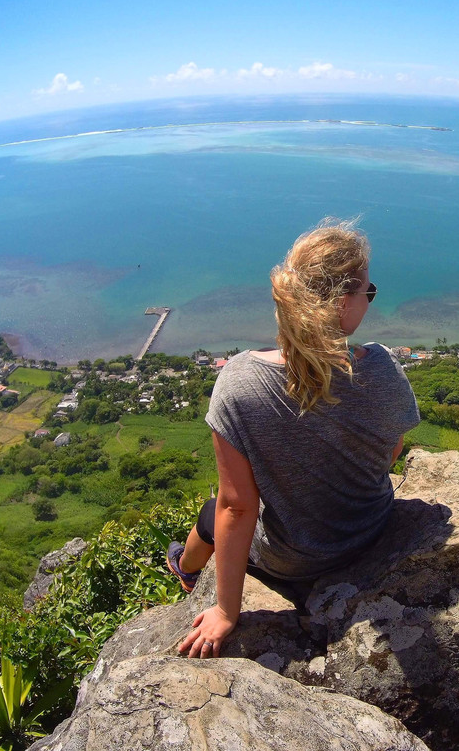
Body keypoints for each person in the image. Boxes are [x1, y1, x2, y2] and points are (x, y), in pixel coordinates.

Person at [168, 220, 420, 659]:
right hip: (369, 533)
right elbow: (391, 451)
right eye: (369, 292)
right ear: (344, 303)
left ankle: (185, 569)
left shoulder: (240, 383)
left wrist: (226, 611)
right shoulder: (383, 370)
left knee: (212, 512)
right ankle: (185, 568)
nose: (370, 300)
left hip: (294, 558)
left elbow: (237, 507)